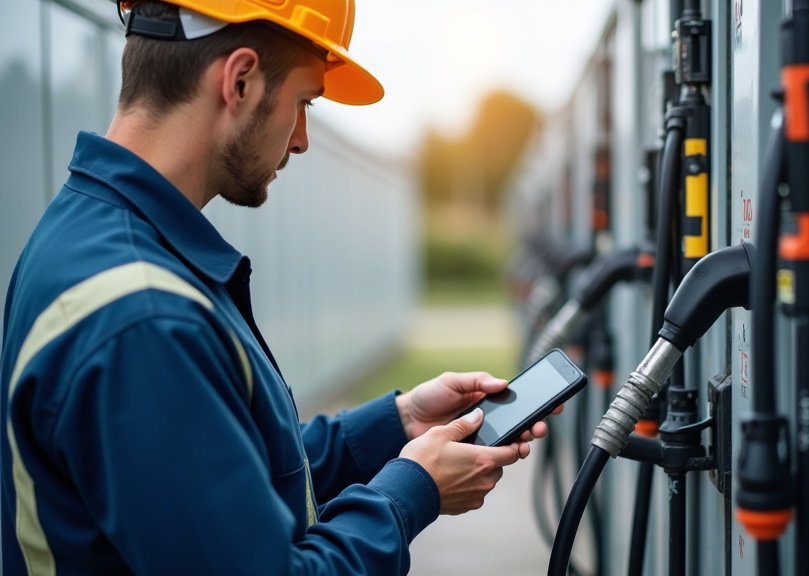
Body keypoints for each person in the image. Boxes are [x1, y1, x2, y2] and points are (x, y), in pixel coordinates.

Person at [0, 1, 551, 574]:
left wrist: (399, 422)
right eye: (303, 103)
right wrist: (412, 492)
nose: (302, 140)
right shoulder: (143, 320)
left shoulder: (93, 238)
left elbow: (219, 467)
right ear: (239, 81)